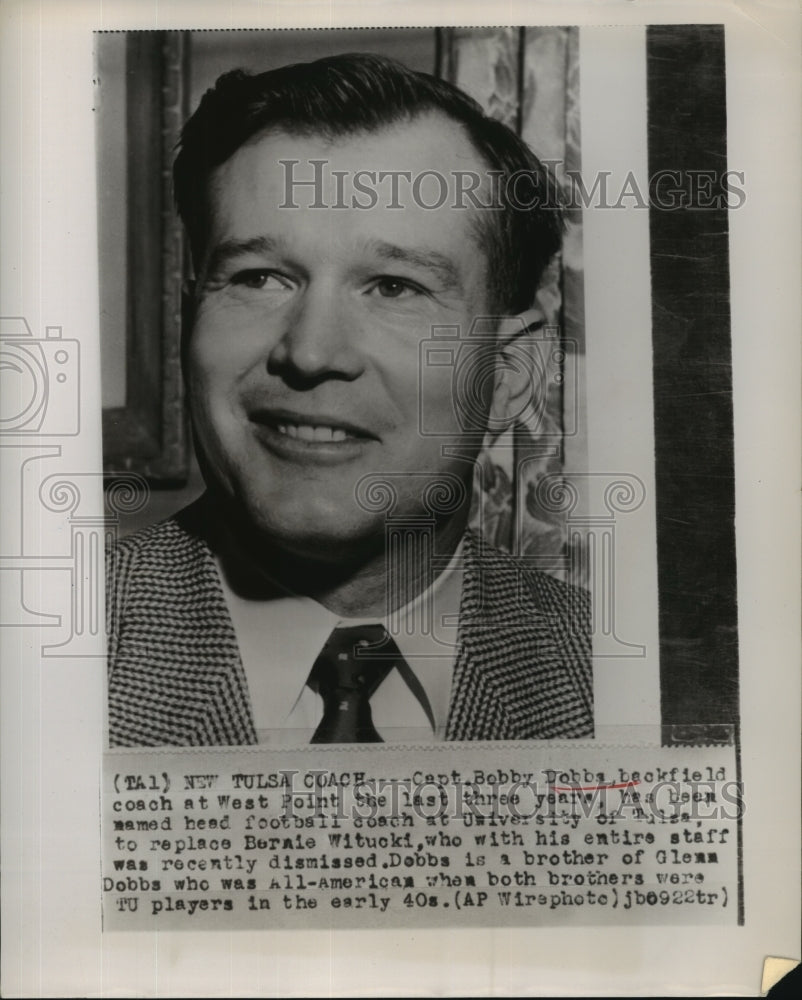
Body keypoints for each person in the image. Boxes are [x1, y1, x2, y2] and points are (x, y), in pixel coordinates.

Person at [106, 53, 593, 747]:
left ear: (510, 372)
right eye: (259, 277)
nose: (309, 352)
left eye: (394, 287)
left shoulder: (623, 682)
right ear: (191, 319)